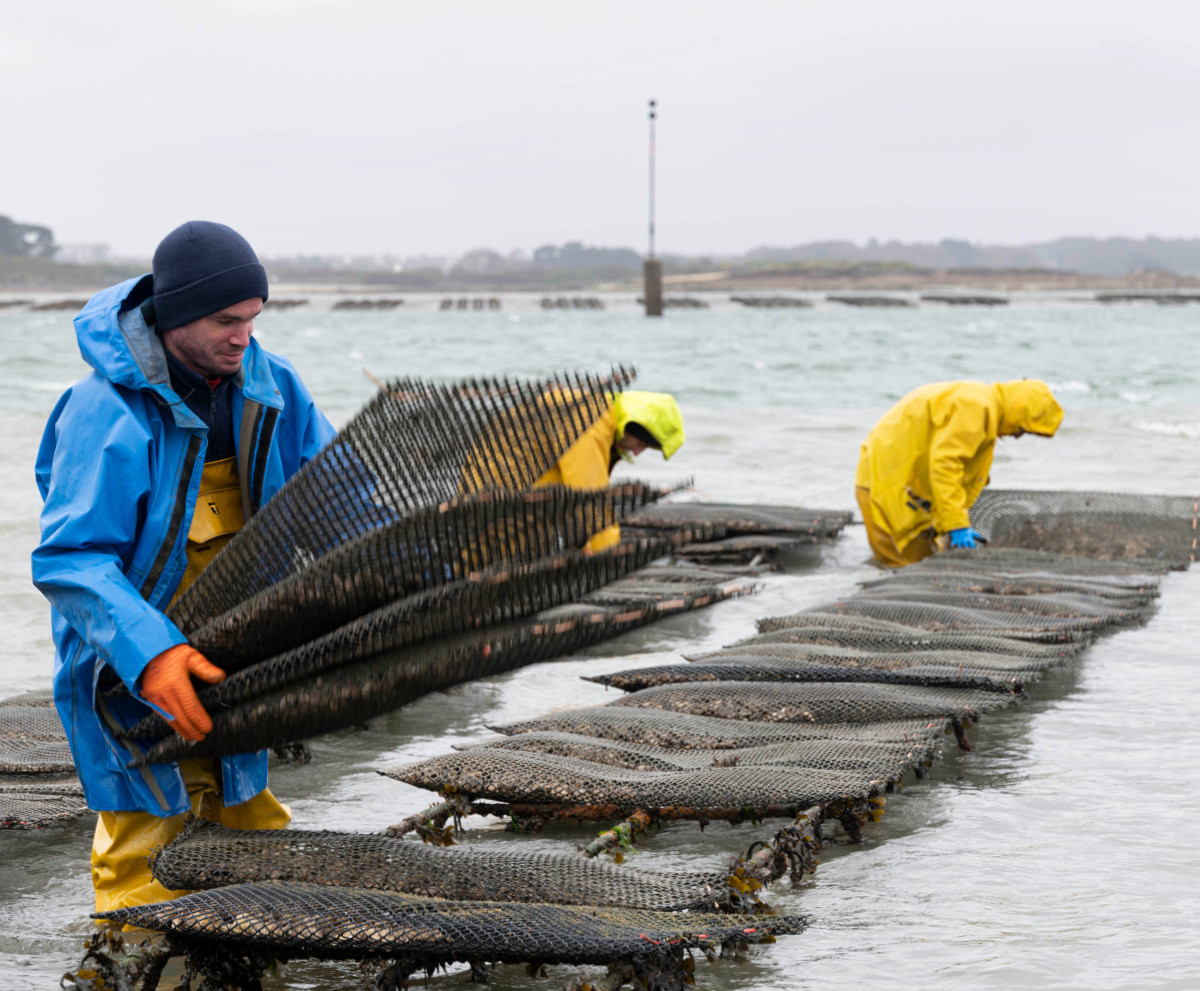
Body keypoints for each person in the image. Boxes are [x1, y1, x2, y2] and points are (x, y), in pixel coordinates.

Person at [32, 221, 336, 911]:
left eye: (253, 318)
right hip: (127, 662)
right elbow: (71, 558)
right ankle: (129, 951)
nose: (244, 337)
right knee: (145, 846)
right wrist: (151, 654)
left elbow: (341, 497)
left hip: (236, 654)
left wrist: (425, 573)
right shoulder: (103, 410)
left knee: (247, 813)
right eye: (226, 320)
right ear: (173, 317)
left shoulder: (272, 385)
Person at [855, 379, 1063, 567]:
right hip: (886, 485)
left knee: (920, 560)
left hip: (899, 482)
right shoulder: (976, 407)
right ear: (1017, 411)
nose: (1017, 436)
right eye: (1022, 429)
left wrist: (953, 520)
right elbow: (945, 466)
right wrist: (957, 525)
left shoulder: (982, 405)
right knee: (903, 565)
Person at [536, 390, 685, 552]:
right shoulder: (590, 421)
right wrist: (609, 555)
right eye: (641, 443)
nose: (637, 452)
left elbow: (572, 494)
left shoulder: (598, 415)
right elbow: (590, 498)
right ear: (630, 426)